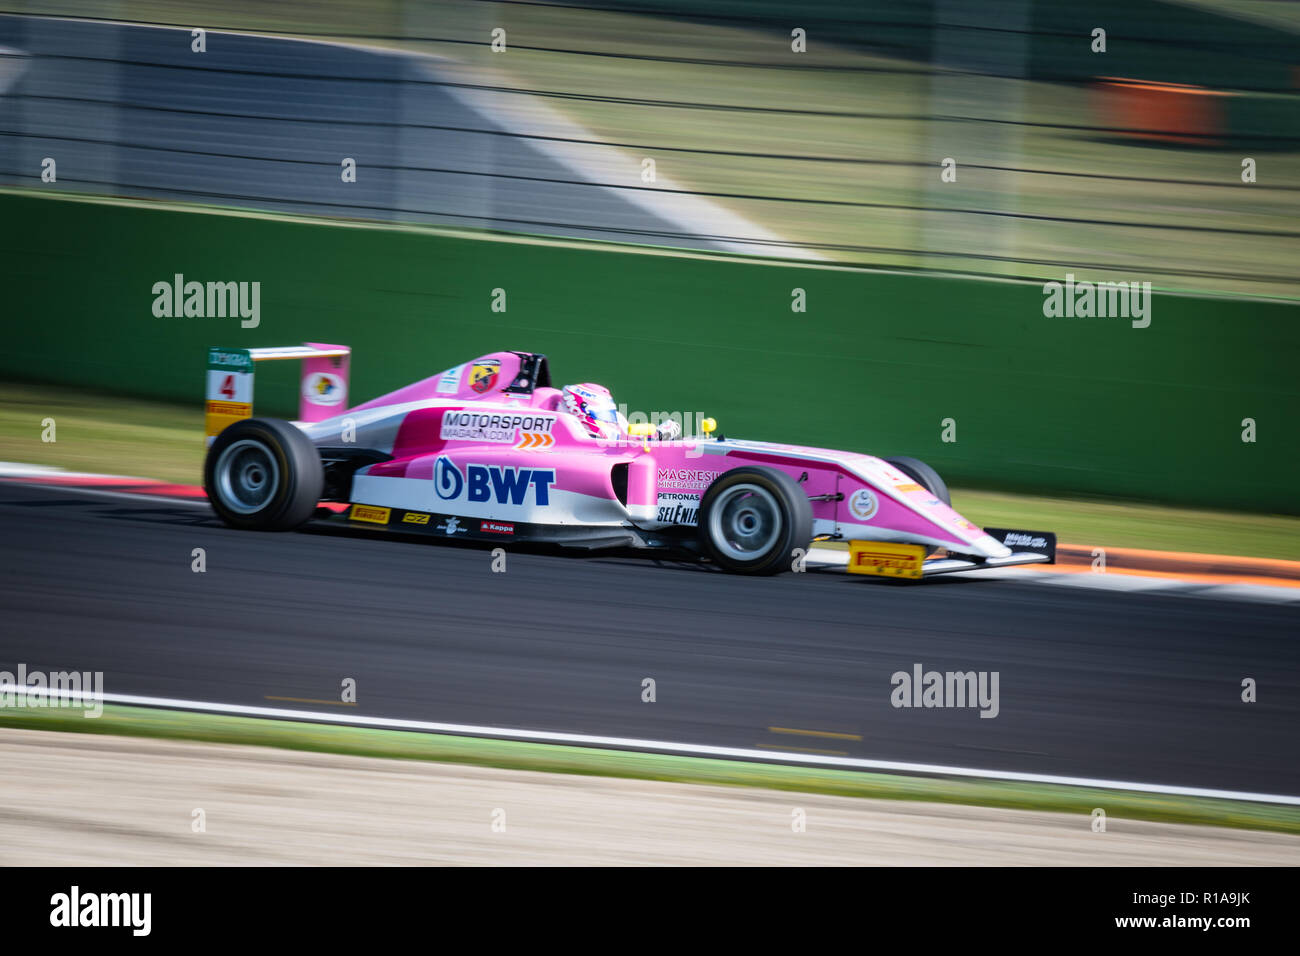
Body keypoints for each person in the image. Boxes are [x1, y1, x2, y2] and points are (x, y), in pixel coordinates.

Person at [560, 383, 681, 441]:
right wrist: (656, 436)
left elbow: (628, 438)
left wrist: (659, 434)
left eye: (609, 412)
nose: (609, 418)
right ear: (580, 410)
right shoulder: (582, 447)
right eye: (603, 412)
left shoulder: (616, 433)